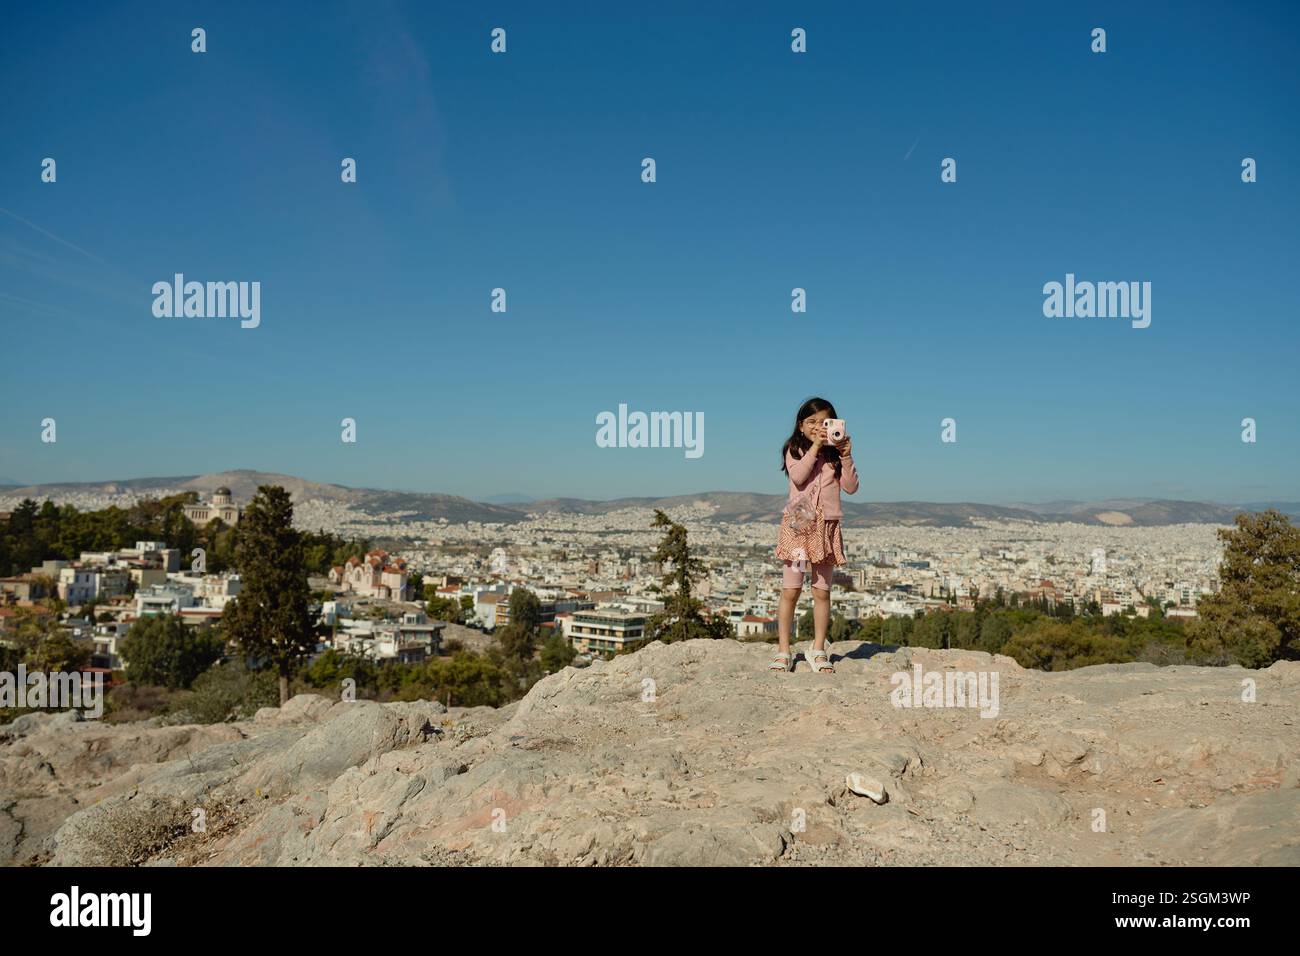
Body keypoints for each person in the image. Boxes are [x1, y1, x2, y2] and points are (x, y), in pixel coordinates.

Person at [768, 397, 858, 674]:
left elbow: (851, 487)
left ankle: (818, 649)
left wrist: (845, 454)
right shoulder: (794, 449)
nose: (818, 426)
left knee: (821, 591)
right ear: (800, 425)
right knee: (791, 590)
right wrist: (816, 446)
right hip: (799, 526)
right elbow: (798, 477)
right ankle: (784, 650)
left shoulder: (836, 454)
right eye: (812, 422)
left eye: (824, 422)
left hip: (827, 528)